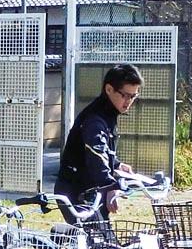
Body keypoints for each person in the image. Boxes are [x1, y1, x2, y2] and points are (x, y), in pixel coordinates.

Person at [55, 64, 142, 222]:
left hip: (90, 189)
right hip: (76, 191)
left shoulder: (108, 113)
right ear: (109, 89)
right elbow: (96, 155)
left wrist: (116, 164)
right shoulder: (95, 119)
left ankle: (66, 236)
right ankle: (63, 236)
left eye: (133, 96)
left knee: (102, 241)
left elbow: (101, 150)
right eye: (125, 95)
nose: (129, 101)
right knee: (96, 241)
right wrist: (110, 187)